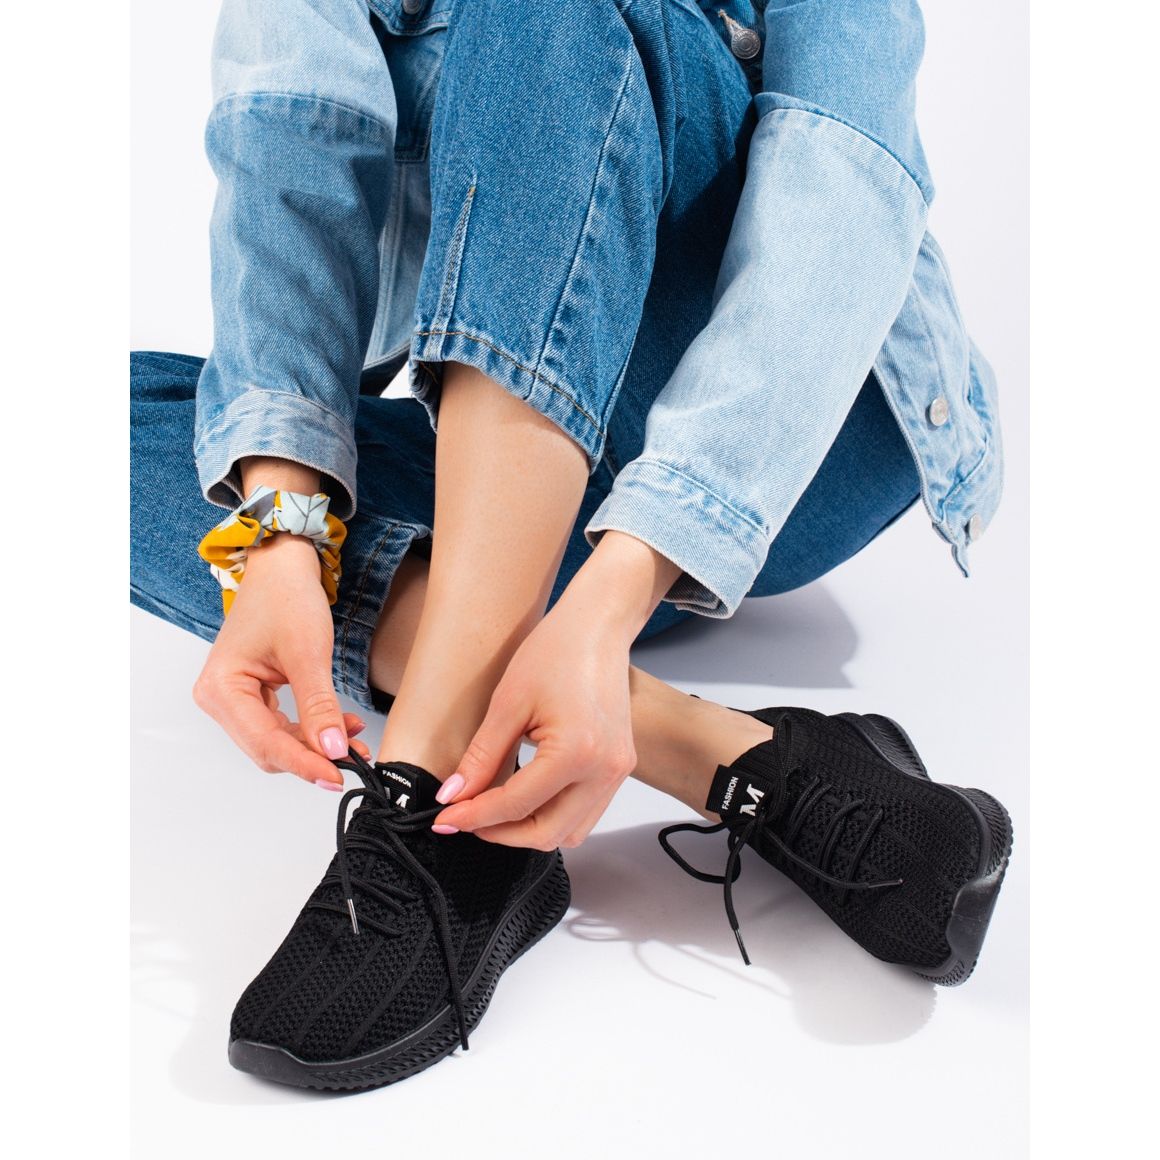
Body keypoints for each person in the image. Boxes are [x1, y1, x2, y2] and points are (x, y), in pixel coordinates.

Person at [131, 0, 1012, 1091]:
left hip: (792, 444)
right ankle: (714, 752)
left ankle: (433, 792)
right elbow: (290, 155)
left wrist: (615, 590)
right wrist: (280, 533)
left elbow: (841, 191)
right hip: (512, 447)